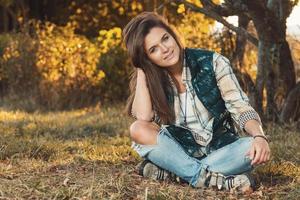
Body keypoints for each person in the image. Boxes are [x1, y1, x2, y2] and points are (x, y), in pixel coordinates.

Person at [122, 12, 270, 192]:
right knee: (138, 128)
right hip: (179, 151)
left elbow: (240, 106)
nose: (165, 49)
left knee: (250, 146)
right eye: (153, 49)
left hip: (220, 150)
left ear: (173, 35)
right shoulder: (152, 80)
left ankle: (176, 174)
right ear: (146, 58)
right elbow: (143, 117)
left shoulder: (213, 62)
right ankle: (212, 180)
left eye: (165, 39)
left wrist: (259, 136)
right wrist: (142, 71)